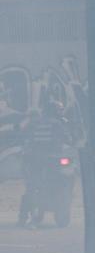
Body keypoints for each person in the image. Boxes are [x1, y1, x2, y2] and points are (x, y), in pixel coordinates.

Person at [18, 97, 68, 228]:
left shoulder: (34, 122)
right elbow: (66, 138)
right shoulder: (57, 123)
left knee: (31, 187)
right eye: (59, 110)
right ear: (54, 111)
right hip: (52, 160)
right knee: (59, 182)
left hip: (34, 159)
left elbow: (24, 136)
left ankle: (24, 217)